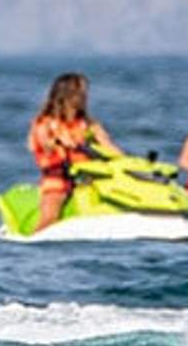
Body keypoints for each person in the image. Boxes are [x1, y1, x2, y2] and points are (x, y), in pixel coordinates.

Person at [28, 72, 122, 230]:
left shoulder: (89, 125)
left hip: (89, 177)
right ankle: (38, 234)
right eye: (81, 92)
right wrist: (59, 142)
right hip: (58, 178)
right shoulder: (45, 123)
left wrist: (126, 161)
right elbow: (45, 144)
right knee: (51, 214)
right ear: (67, 95)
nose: (85, 97)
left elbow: (109, 147)